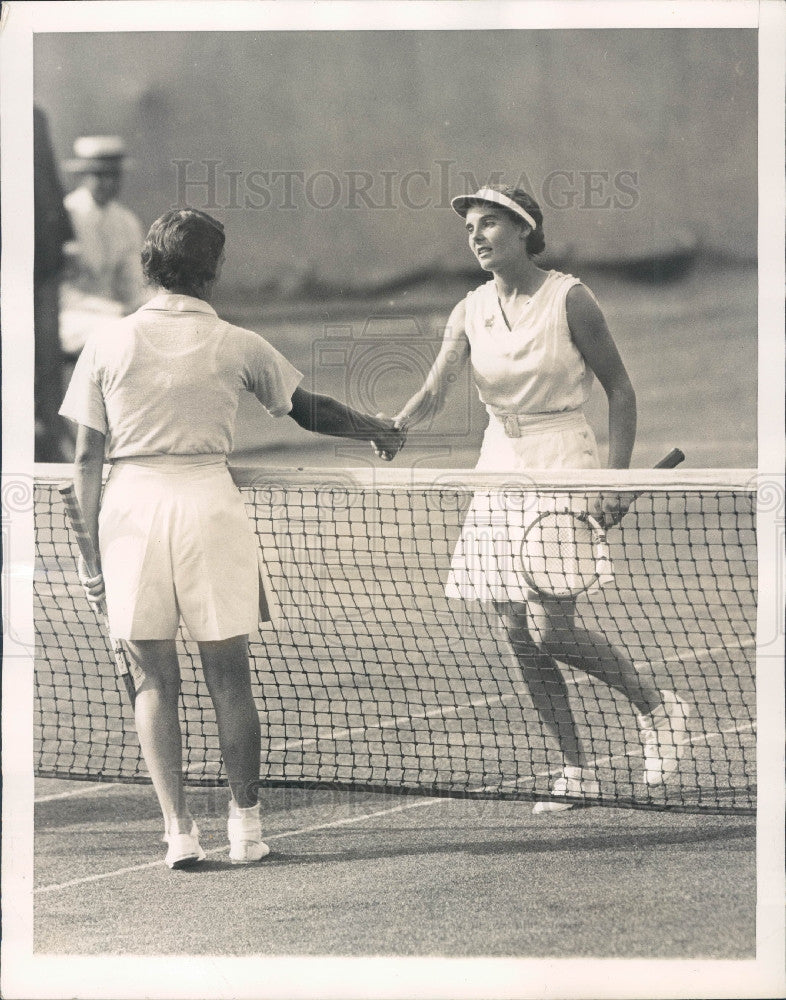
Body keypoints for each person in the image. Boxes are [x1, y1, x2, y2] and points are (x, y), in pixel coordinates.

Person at [60, 208, 405, 868]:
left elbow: (83, 460)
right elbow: (311, 410)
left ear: (148, 266)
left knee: (153, 683)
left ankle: (178, 834)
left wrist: (87, 559)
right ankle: (246, 829)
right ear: (214, 272)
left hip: (130, 516)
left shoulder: (106, 344)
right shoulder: (238, 343)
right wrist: (376, 429)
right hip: (209, 509)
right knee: (230, 681)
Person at [389, 185, 688, 812]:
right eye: (470, 226)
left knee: (551, 630)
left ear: (525, 231)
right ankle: (576, 768)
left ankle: (659, 708)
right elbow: (433, 392)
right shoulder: (468, 309)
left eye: (490, 223)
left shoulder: (571, 298)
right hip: (498, 468)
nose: (476, 235)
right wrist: (392, 427)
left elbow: (621, 391)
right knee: (517, 634)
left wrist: (614, 480)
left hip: (563, 462)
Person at [60, 136, 148, 358]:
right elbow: (61, 291)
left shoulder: (126, 222)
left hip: (116, 316)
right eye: (99, 175)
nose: (107, 182)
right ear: (83, 176)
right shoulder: (65, 216)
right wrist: (115, 311)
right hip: (72, 316)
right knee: (122, 336)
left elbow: (131, 284)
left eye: (113, 175)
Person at [34, 106, 75, 462]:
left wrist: (65, 235)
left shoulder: (34, 117)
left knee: (47, 355)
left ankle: (51, 431)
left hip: (42, 262)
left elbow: (48, 177)